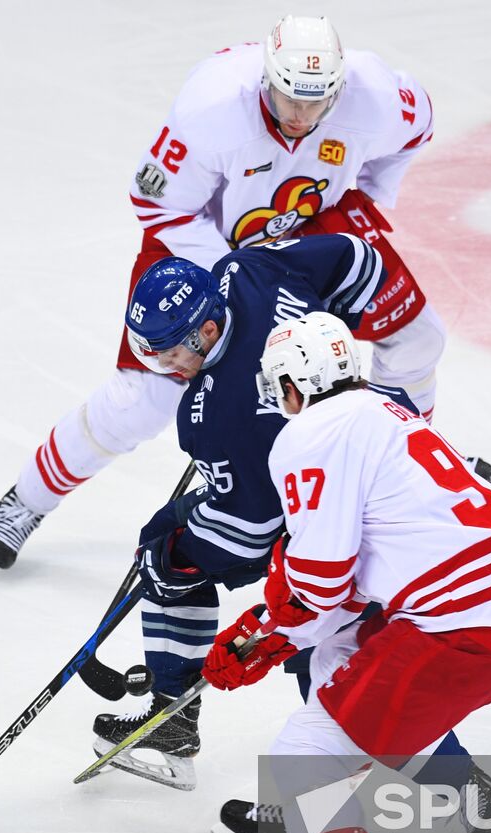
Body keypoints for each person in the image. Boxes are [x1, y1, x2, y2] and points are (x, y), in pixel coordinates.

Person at [0, 14, 473, 571]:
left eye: (317, 103)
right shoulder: (210, 110)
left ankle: (410, 463)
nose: (302, 117)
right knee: (143, 401)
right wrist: (233, 279)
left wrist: (372, 196)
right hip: (200, 242)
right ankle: (25, 502)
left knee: (417, 337)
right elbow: (158, 203)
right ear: (267, 78)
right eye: (290, 99)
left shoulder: (376, 97)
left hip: (304, 226)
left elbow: (418, 128)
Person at [198, 312, 491, 833]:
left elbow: (322, 580)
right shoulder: (386, 414)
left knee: (306, 751)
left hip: (461, 621)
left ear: (297, 382)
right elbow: (352, 591)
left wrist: (261, 634)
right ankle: (314, 819)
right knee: (348, 658)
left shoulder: (312, 432)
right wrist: (281, 631)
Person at [84, 232, 394, 790]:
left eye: (172, 352)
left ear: (206, 330)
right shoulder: (245, 271)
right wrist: (334, 341)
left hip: (339, 529)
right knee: (369, 663)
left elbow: (251, 532)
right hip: (393, 445)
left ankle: (180, 718)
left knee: (321, 648)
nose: (165, 367)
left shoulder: (215, 420)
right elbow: (354, 257)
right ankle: (456, 791)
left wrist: (171, 553)